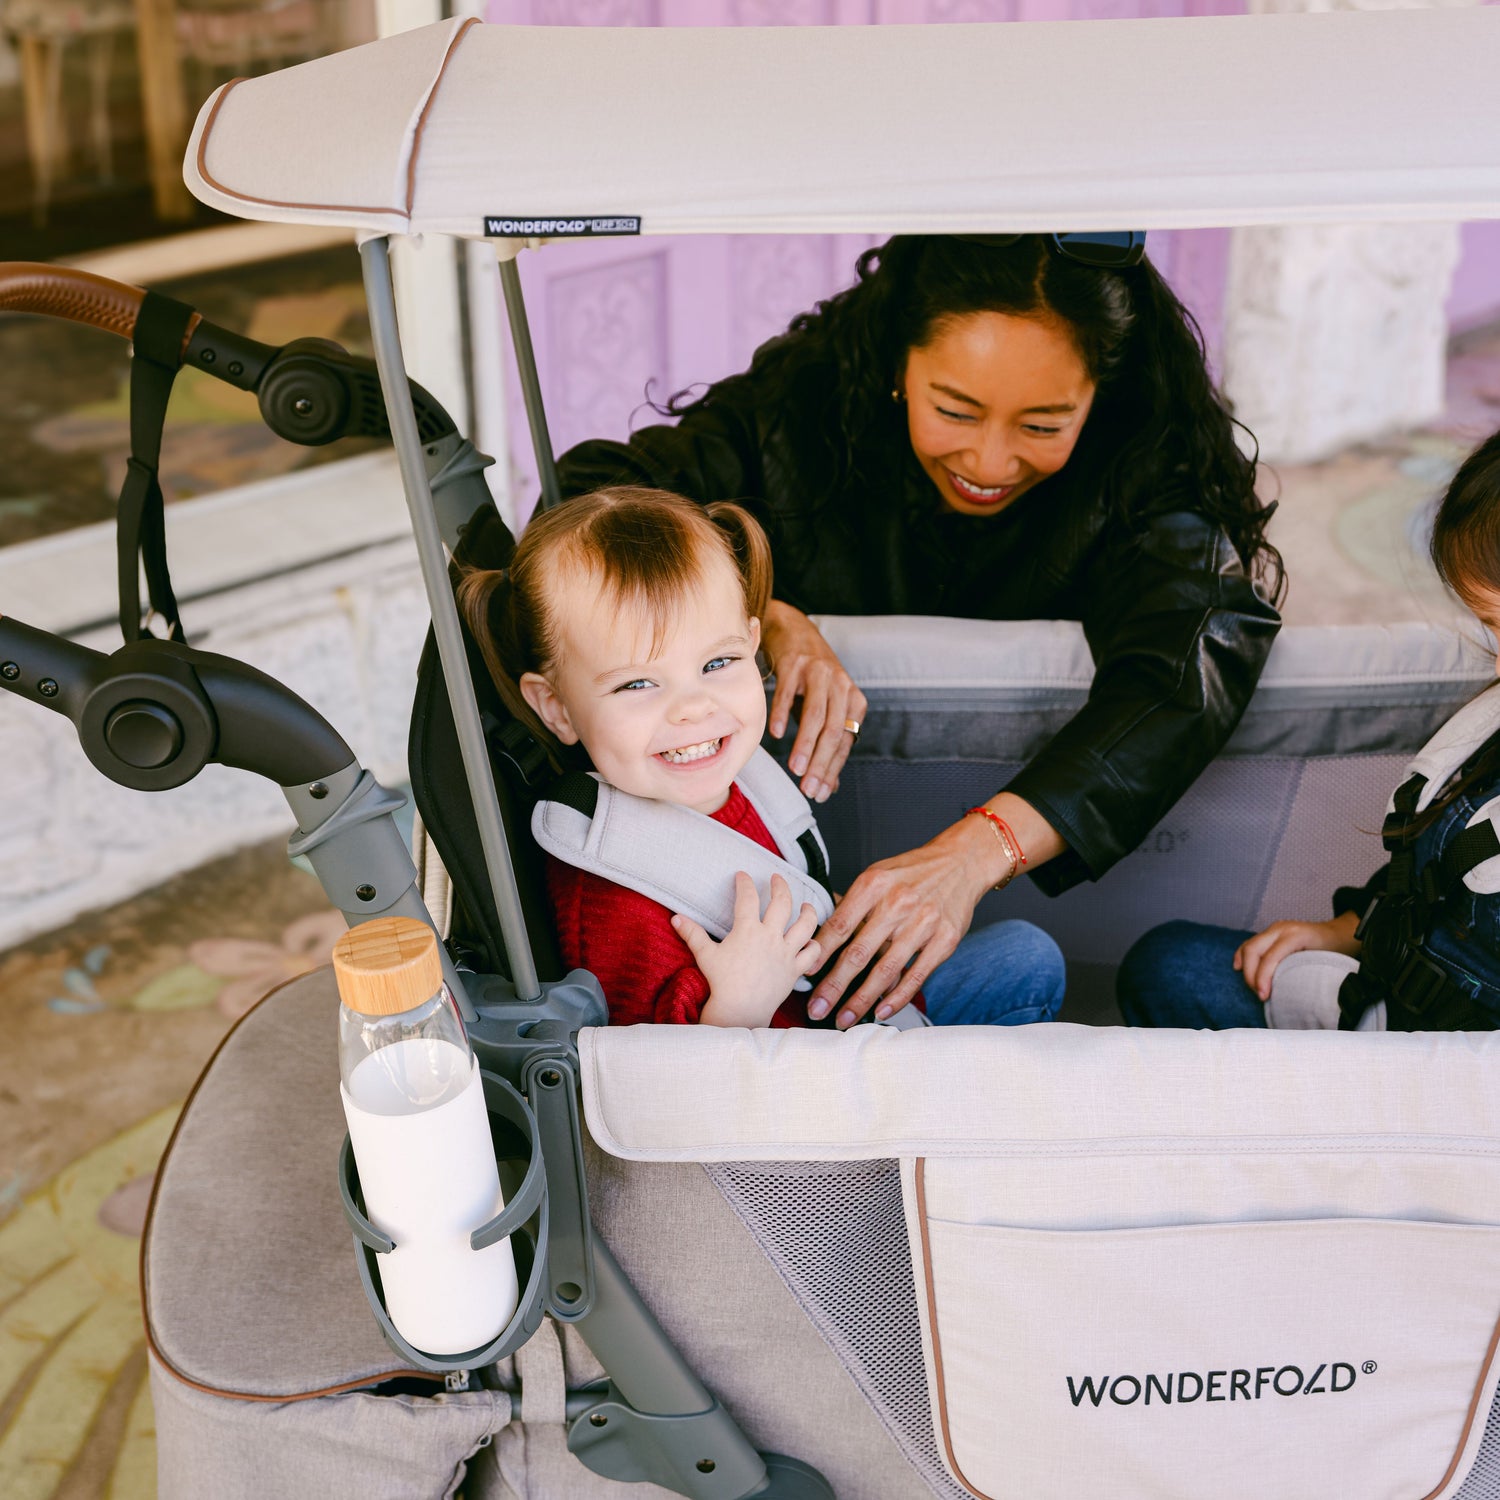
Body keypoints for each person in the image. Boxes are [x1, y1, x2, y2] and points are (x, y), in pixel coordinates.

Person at [552, 233, 1284, 1028]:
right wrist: (763, 614)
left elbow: (1190, 661)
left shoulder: (1141, 460)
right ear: (899, 364)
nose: (991, 460)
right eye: (954, 410)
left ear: (1100, 393)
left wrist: (973, 855)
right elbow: (585, 509)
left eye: (1043, 425)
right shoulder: (804, 406)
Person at [458, 485, 1064, 1030]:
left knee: (1029, 956)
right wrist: (738, 1007)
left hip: (847, 1019)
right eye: (637, 685)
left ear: (753, 644)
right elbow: (662, 1107)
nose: (693, 709)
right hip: (796, 1109)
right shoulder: (613, 888)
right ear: (557, 708)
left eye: (717, 664)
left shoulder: (739, 773)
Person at [1117, 430, 1500, 1032]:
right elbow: (1433, 887)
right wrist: (1341, 933)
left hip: (1441, 1091)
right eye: (1492, 627)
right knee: (1163, 965)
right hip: (1388, 1000)